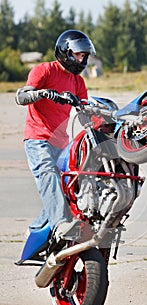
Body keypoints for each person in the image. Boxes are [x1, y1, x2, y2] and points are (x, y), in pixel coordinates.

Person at [15, 29, 96, 243]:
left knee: (70, 185)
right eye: (79, 54)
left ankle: (36, 230)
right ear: (65, 52)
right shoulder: (44, 70)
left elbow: (85, 110)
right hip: (38, 138)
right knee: (49, 174)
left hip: (62, 143)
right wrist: (41, 93)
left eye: (84, 56)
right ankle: (60, 225)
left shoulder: (78, 82)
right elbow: (21, 96)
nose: (82, 59)